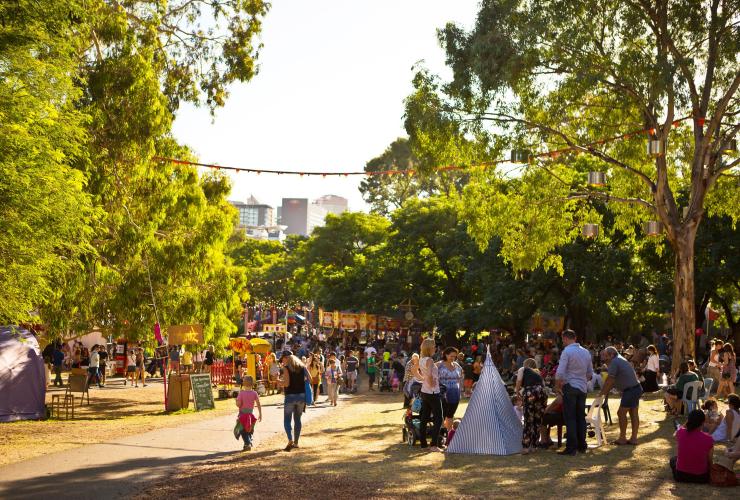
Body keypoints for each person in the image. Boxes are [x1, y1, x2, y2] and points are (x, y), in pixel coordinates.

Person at [555, 329, 593, 456]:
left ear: (565, 338)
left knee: (570, 418)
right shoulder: (586, 352)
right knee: (580, 417)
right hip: (582, 387)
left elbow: (560, 372)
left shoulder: (567, 351)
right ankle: (582, 445)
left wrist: (558, 386)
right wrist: (582, 381)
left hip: (570, 385)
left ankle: (571, 447)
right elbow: (589, 373)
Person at [599, 346, 643, 445]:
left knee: (621, 413)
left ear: (612, 355)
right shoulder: (619, 359)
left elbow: (610, 380)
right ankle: (633, 438)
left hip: (631, 390)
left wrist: (601, 395)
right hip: (635, 388)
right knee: (633, 413)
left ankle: (622, 438)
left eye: (606, 356)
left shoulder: (614, 362)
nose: (604, 358)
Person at [670, 409, 713, 483]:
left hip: (681, 476)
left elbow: (675, 434)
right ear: (703, 422)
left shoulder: (680, 432)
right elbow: (710, 460)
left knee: (673, 459)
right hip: (701, 478)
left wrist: (688, 422)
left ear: (688, 421)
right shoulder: (708, 438)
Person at [416, 338, 444, 452]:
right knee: (439, 418)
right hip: (433, 392)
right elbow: (429, 374)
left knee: (424, 417)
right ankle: (433, 445)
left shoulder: (422, 359)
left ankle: (423, 444)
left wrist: (423, 379)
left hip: (425, 391)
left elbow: (414, 370)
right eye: (434, 346)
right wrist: (431, 382)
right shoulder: (430, 360)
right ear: (430, 348)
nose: (435, 348)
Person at [516, 357, 547, 454]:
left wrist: (517, 392)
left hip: (531, 393)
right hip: (542, 393)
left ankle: (525, 447)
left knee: (528, 420)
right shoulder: (538, 373)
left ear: (526, 364)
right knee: (537, 421)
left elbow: (519, 381)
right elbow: (543, 385)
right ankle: (534, 446)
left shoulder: (523, 369)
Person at [279, 350, 307, 451]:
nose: (282, 361)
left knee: (287, 420)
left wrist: (279, 382)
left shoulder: (286, 368)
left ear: (287, 358)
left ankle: (290, 439)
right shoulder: (302, 367)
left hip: (290, 396)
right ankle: (296, 442)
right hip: (301, 396)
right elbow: (310, 379)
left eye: (283, 358)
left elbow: (286, 384)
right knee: (297, 420)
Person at [438, 347, 463, 431]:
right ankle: (440, 433)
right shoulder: (439, 364)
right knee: (442, 414)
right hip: (443, 393)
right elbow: (429, 373)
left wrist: (460, 388)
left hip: (455, 393)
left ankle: (449, 434)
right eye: (451, 356)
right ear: (446, 354)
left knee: (451, 414)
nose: (453, 358)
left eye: (454, 356)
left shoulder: (456, 365)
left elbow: (460, 376)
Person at [235, 375, 262, 451]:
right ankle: (248, 443)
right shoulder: (254, 393)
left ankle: (248, 443)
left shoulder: (241, 393)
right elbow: (258, 403)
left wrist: (236, 402)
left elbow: (239, 405)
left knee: (242, 430)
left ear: (243, 383)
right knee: (249, 429)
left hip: (243, 415)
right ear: (252, 384)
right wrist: (260, 413)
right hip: (251, 414)